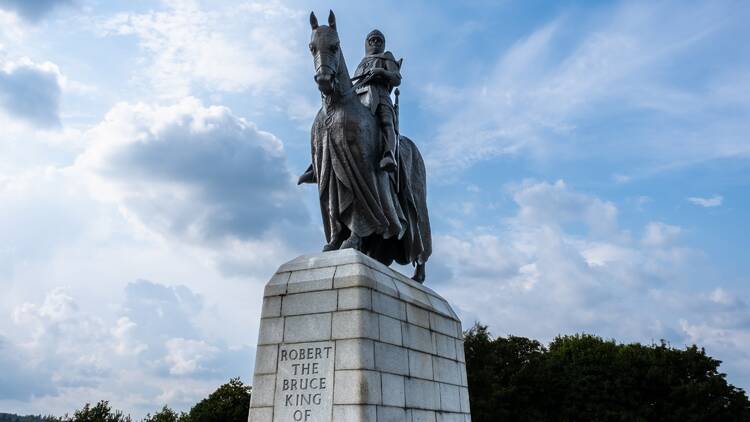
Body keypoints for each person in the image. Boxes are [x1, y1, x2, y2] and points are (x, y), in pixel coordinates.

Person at [352, 29, 401, 172]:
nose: (375, 42)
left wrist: (381, 72)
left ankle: (388, 154)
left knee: (386, 119)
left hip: (380, 94)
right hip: (358, 95)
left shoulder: (386, 56)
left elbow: (396, 78)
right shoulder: (362, 63)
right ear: (367, 43)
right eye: (372, 40)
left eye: (378, 40)